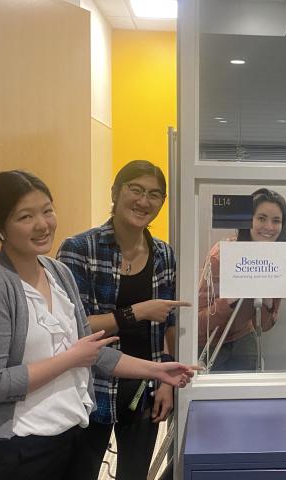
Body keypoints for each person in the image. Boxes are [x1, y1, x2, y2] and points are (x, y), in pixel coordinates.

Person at [0, 170, 197, 480]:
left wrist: (158, 370)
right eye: (26, 217)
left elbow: (92, 351)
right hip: (16, 451)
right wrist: (70, 359)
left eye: (47, 210)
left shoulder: (56, 273)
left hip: (69, 437)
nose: (43, 224)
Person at [57, 160, 187, 480]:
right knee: (79, 473)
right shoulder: (79, 249)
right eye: (136, 190)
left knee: (135, 475)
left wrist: (167, 383)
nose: (144, 202)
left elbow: (169, 325)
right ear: (115, 192)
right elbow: (75, 327)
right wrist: (137, 312)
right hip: (90, 387)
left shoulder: (164, 255)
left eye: (155, 194)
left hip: (144, 386)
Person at [198, 188, 286, 371]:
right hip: (209, 343)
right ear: (249, 220)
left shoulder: (277, 258)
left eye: (276, 220)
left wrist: (268, 303)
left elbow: (264, 326)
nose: (269, 227)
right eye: (261, 218)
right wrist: (230, 298)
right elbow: (199, 323)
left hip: (243, 337)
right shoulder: (221, 256)